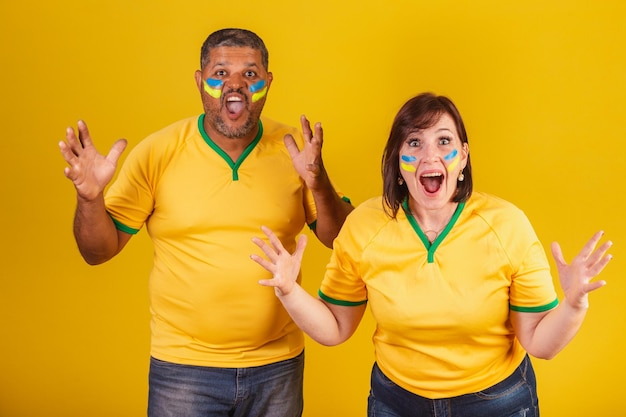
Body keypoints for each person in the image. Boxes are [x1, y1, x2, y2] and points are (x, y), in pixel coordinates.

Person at [251, 92, 613, 417]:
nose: (430, 155)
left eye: (444, 141)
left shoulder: (506, 226)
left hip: (496, 403)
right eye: (415, 143)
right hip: (396, 402)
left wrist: (574, 303)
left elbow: (540, 344)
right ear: (397, 160)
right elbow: (334, 328)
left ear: (463, 158)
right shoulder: (365, 226)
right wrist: (288, 290)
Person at [58, 28, 353, 417]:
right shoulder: (158, 152)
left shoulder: (293, 150)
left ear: (267, 81)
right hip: (183, 369)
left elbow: (340, 238)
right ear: (200, 81)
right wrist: (89, 197)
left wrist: (318, 181)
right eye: (220, 73)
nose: (235, 85)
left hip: (277, 367)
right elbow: (97, 252)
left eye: (250, 74)